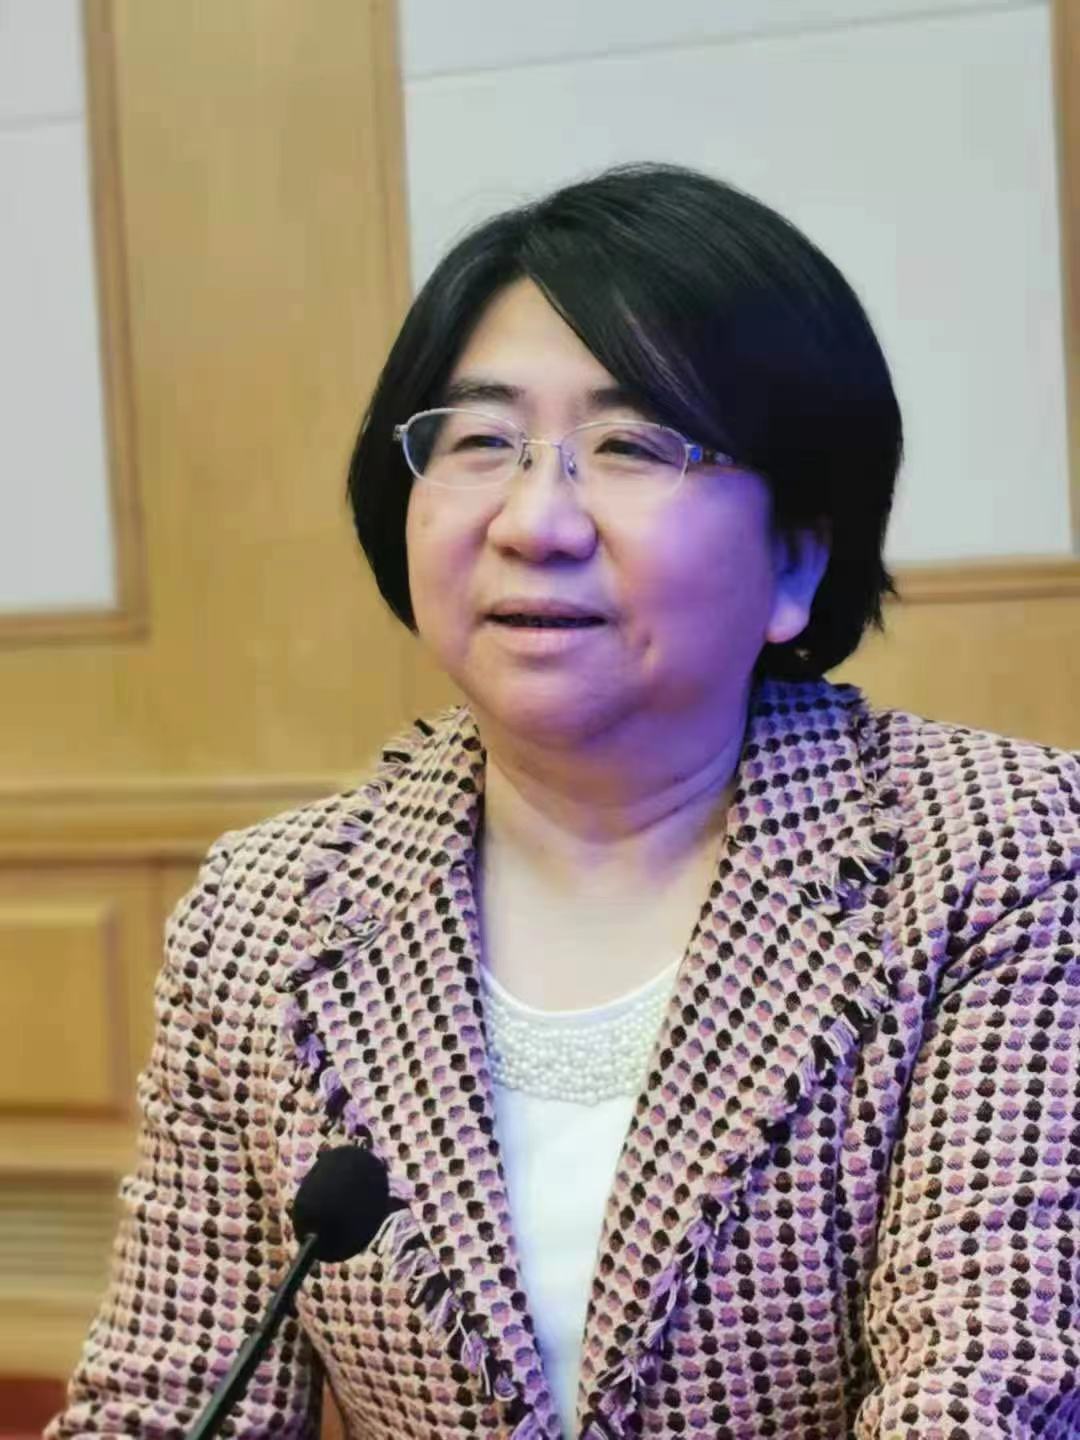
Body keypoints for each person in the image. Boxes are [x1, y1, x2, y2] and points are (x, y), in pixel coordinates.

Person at [49, 163, 1079, 1440]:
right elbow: (163, 1403)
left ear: (795, 560)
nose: (535, 521)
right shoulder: (265, 914)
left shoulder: (1000, 856)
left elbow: (989, 1387)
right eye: (481, 442)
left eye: (633, 445)